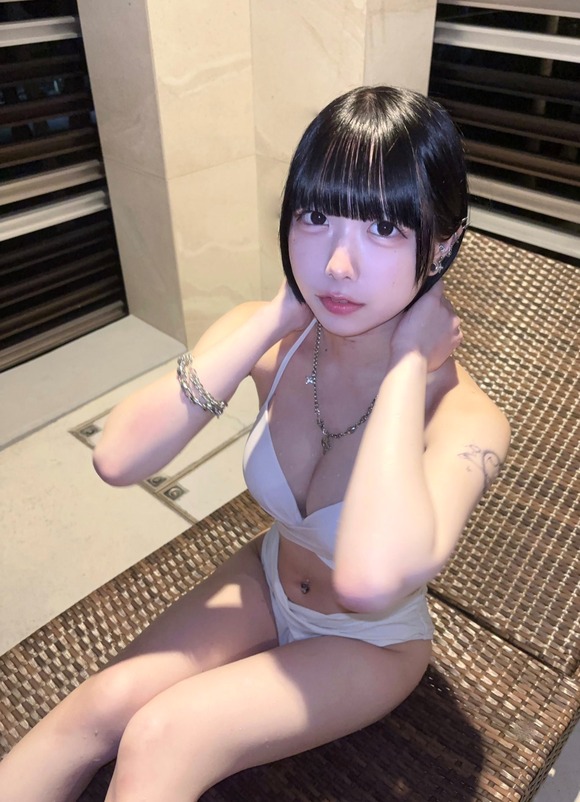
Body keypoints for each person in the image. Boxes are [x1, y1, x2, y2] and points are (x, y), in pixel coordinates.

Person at [0, 85, 510, 802]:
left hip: (369, 642)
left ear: (444, 244)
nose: (337, 265)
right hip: (267, 578)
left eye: (383, 228)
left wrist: (406, 366)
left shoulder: (466, 417)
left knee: (164, 735)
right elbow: (117, 458)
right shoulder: (275, 338)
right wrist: (271, 318)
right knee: (96, 708)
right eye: (316, 216)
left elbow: (369, 580)